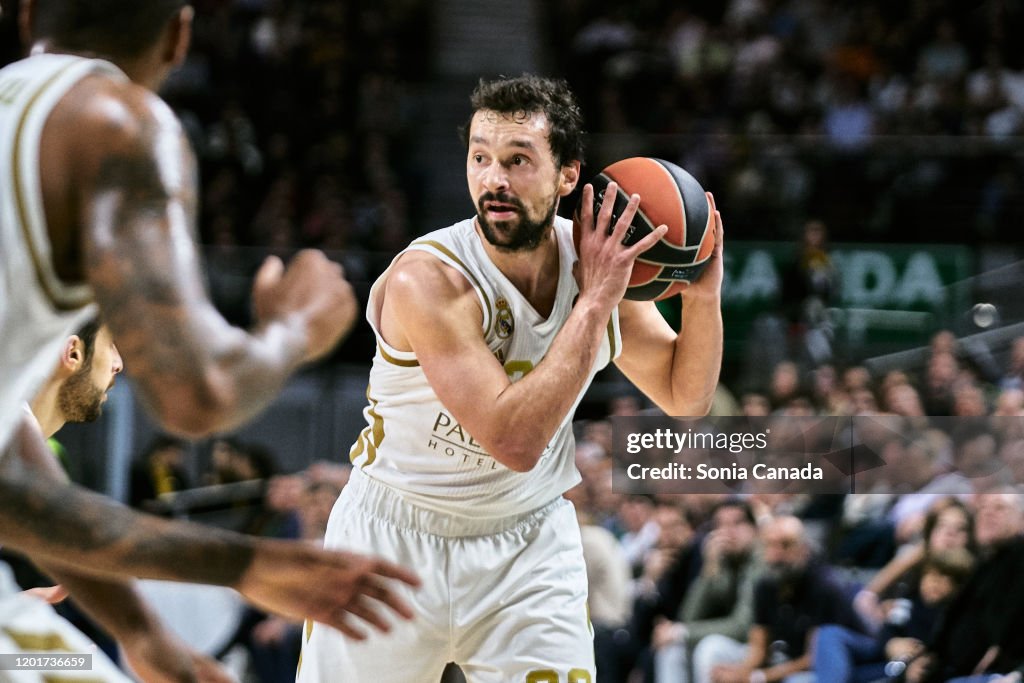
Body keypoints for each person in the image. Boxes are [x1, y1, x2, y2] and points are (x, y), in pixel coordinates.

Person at [0, 0, 419, 656]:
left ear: (27, 18)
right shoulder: (111, 119)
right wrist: (294, 326)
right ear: (179, 36)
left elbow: (19, 489)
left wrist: (144, 631)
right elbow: (200, 394)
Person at [298, 74, 724, 681]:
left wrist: (703, 296)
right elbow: (514, 441)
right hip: (393, 537)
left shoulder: (595, 262)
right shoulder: (429, 278)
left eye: (518, 160)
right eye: (481, 158)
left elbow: (687, 396)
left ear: (567, 175)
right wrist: (595, 302)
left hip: (528, 545)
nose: (493, 179)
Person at [13, 320, 231, 681]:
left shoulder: (21, 433)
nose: (119, 363)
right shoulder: (10, 433)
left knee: (79, 665)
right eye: (111, 344)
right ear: (72, 353)